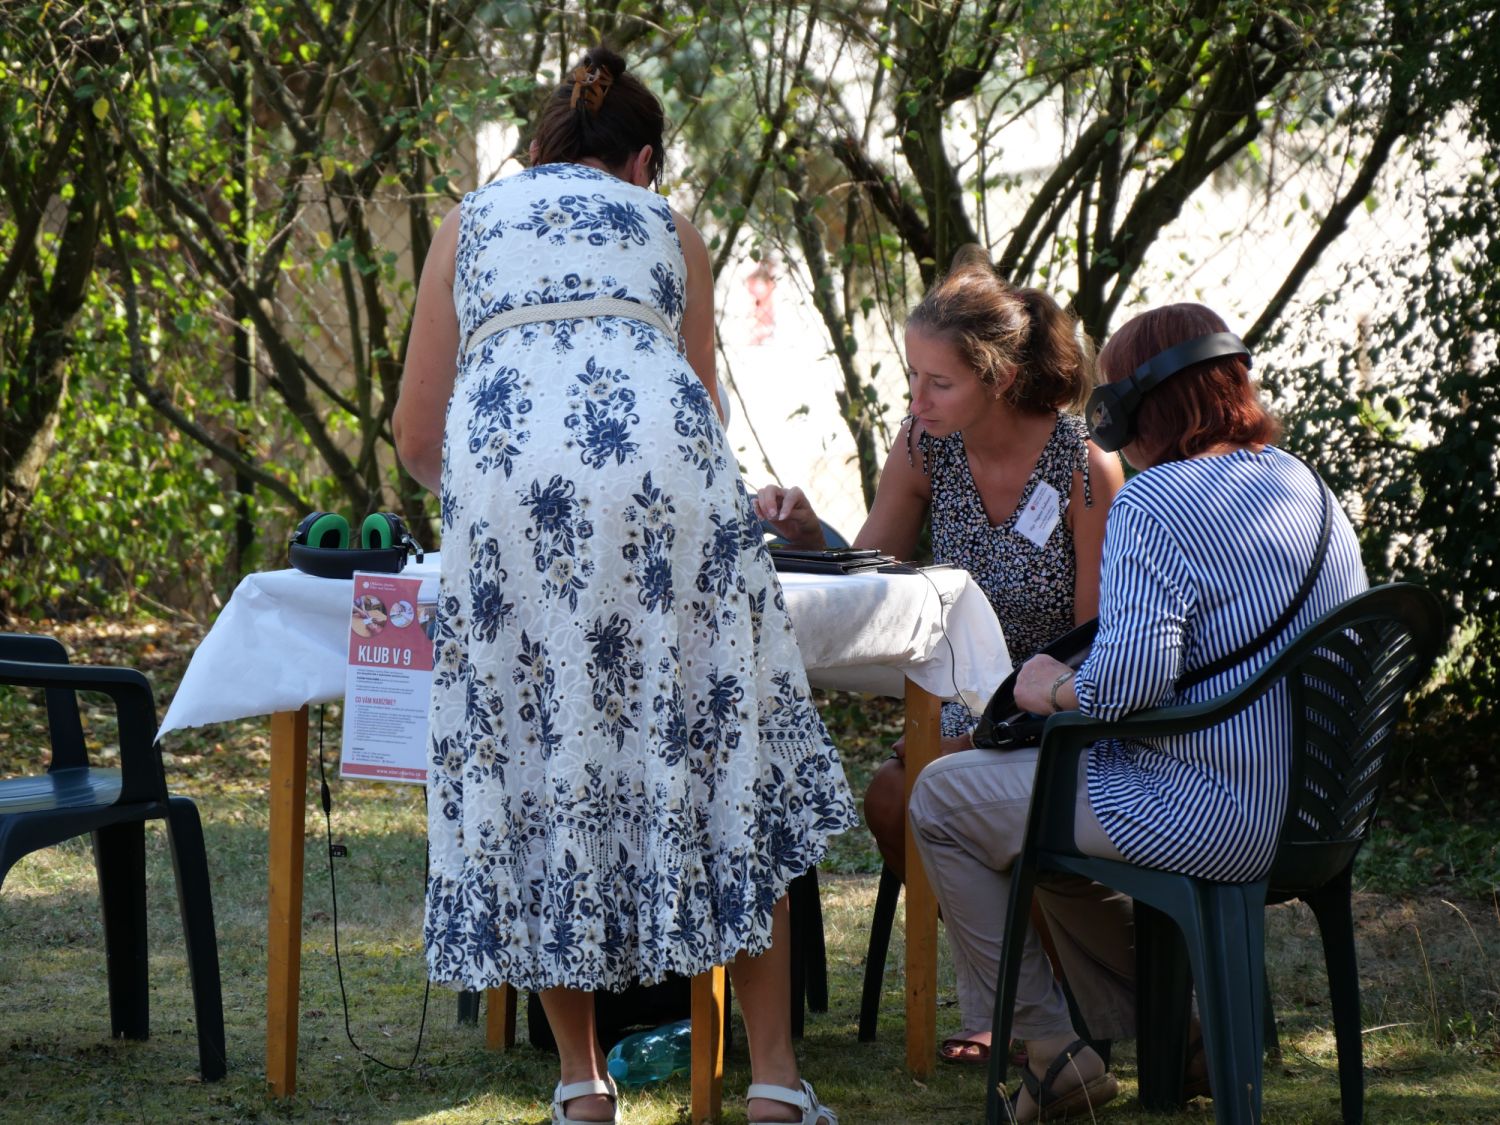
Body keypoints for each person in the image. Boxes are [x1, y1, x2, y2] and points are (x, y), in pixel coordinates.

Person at [393, 46, 855, 1125]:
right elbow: (698, 406)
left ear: (540, 150)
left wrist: (501, 507)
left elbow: (417, 434)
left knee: (541, 758)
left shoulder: (469, 223)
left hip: (513, 503)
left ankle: (580, 1082)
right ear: (644, 160)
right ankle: (775, 1081)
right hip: (664, 497)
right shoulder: (669, 227)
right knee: (730, 763)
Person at [906, 301, 1369, 1120]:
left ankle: (1052, 1050)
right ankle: (1176, 1031)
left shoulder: (1155, 503)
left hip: (1209, 811)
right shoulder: (1307, 485)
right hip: (1316, 818)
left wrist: (1043, 685)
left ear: (1131, 407)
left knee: (942, 800)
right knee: (1038, 828)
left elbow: (1124, 686)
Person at [754, 246, 1123, 1064]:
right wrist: (809, 535)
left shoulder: (1083, 464)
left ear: (999, 378)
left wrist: (986, 732)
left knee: (917, 790)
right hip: (961, 704)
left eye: (938, 383)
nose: (916, 401)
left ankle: (1032, 1010)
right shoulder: (926, 446)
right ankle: (1021, 998)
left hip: (1053, 713)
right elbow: (871, 580)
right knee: (892, 798)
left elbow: (1100, 643)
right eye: (912, 377)